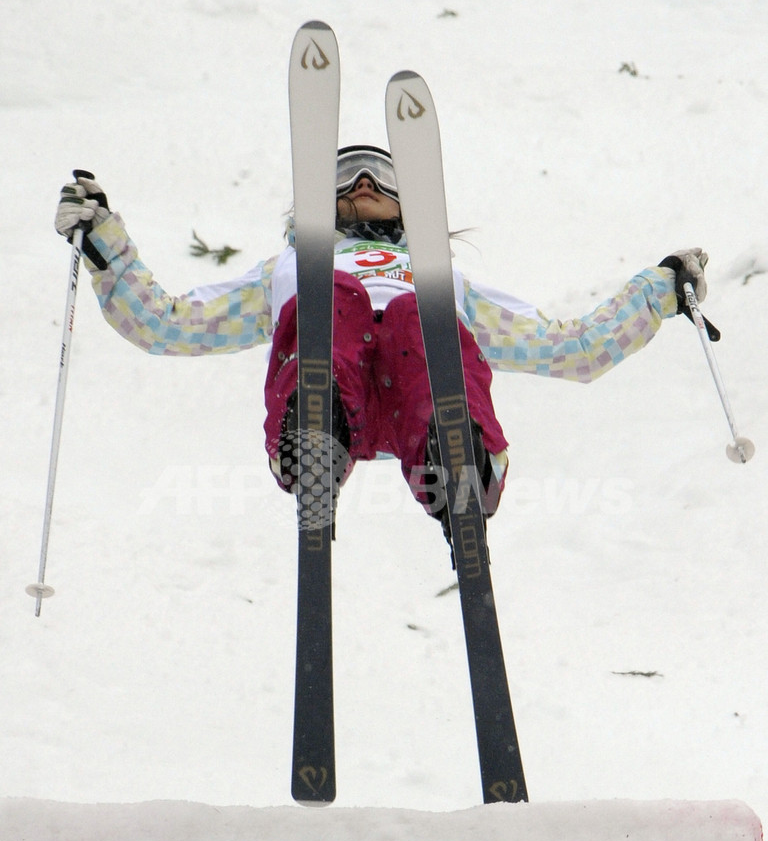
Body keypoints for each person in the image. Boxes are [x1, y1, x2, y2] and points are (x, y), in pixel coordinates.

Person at [54, 146, 711, 556]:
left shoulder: (442, 280)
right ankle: (316, 429)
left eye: (380, 175)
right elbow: (168, 324)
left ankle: (455, 458)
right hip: (330, 385)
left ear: (410, 203)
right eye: (344, 174)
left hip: (418, 392)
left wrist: (660, 289)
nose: (363, 179)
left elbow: (577, 349)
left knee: (414, 314)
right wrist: (103, 243)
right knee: (328, 290)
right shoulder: (290, 265)